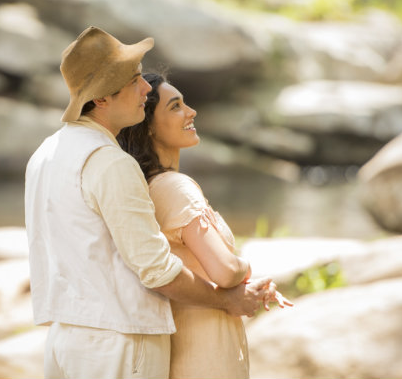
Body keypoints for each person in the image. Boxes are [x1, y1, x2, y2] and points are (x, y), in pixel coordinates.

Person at [25, 27, 274, 379]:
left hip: (64, 338)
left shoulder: (45, 153)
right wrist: (225, 299)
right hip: (122, 342)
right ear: (101, 99)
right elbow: (157, 270)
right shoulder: (110, 162)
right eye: (134, 80)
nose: (145, 88)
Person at [118, 73, 293, 379]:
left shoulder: (147, 187)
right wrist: (247, 271)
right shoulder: (174, 187)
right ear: (148, 127)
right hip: (205, 355)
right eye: (175, 106)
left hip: (186, 348)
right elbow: (224, 271)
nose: (191, 112)